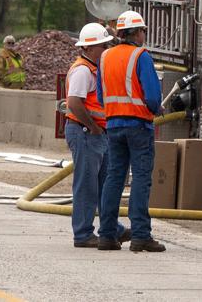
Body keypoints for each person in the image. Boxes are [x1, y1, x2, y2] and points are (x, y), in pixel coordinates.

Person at [96, 10, 165, 252]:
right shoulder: (141, 56)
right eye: (143, 30)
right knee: (141, 179)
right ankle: (140, 236)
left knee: (114, 178)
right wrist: (157, 109)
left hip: (113, 125)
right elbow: (153, 97)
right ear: (136, 32)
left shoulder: (105, 57)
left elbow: (101, 96)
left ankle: (106, 235)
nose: (144, 34)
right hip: (138, 126)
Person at [65, 23, 130, 248]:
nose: (106, 50)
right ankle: (83, 234)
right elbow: (74, 103)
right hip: (85, 132)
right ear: (91, 48)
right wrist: (92, 126)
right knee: (87, 185)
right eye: (103, 46)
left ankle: (111, 228)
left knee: (105, 184)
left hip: (97, 132)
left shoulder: (94, 68)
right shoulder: (83, 71)